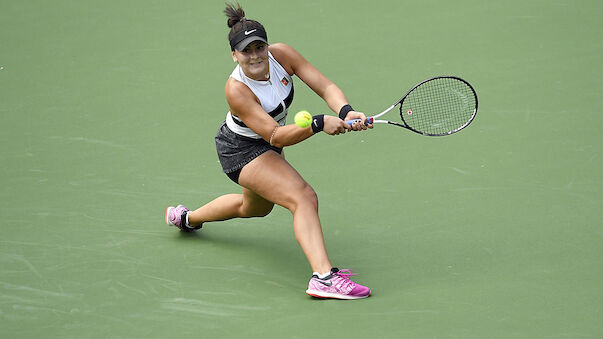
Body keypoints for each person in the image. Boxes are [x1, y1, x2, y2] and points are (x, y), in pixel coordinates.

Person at [166, 2, 372, 300]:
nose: (255, 56)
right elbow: (276, 135)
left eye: (259, 47)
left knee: (254, 208)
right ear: (234, 55)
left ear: (267, 45)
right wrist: (317, 124)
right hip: (241, 149)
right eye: (246, 51)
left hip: (267, 143)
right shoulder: (236, 89)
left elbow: (325, 86)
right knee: (303, 197)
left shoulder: (282, 55)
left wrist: (345, 110)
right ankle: (324, 278)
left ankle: (187, 218)